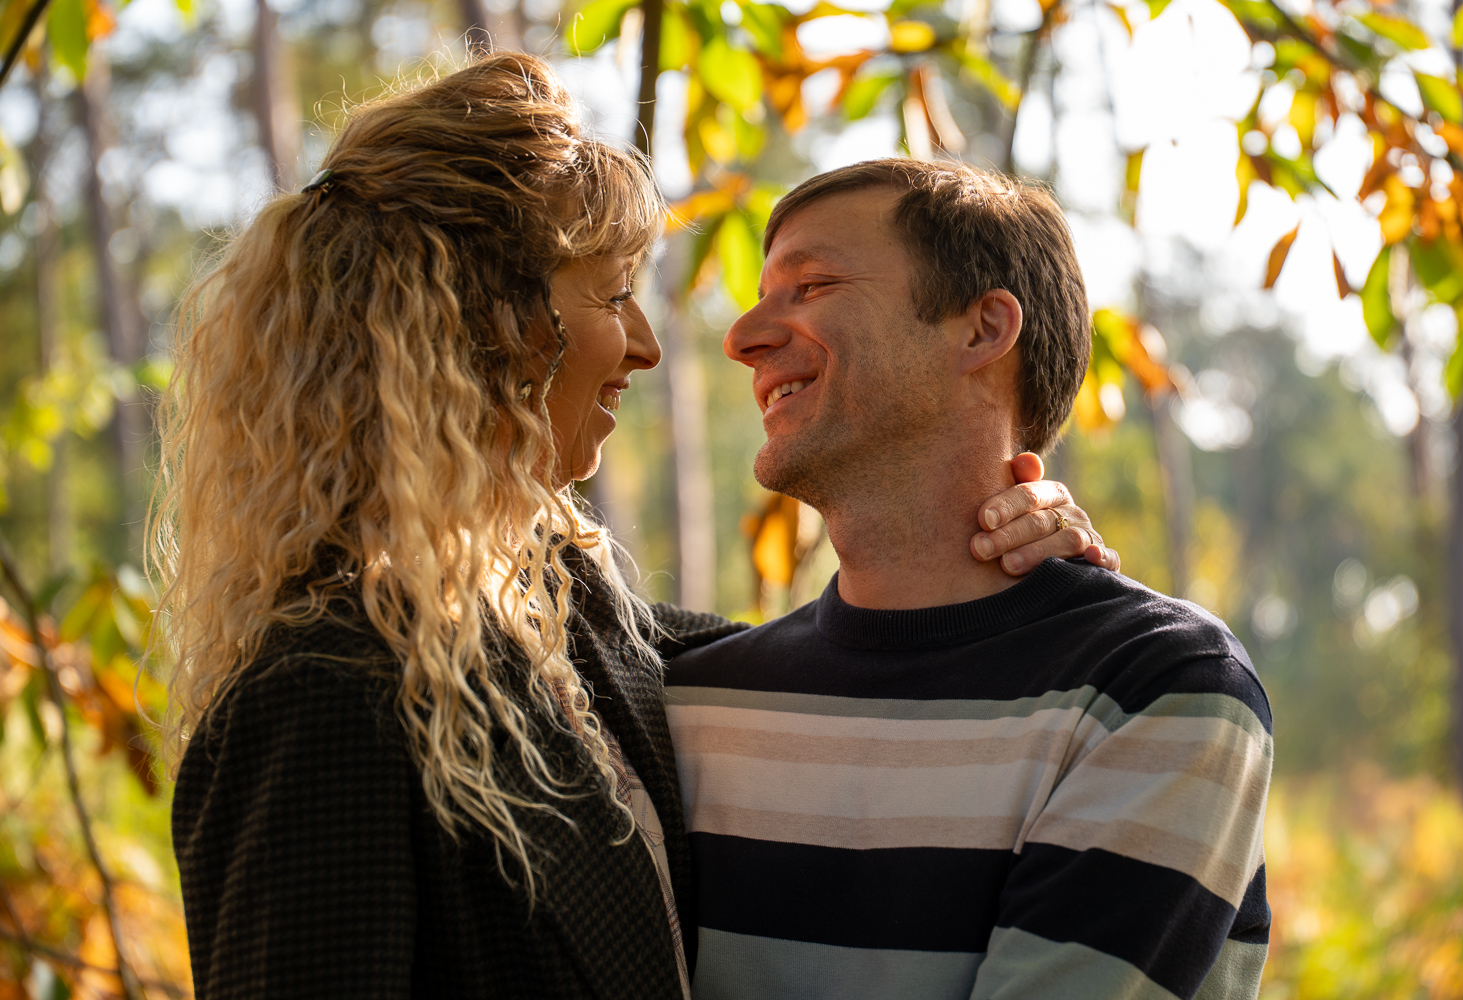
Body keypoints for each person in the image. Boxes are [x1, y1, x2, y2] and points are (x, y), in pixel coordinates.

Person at [153, 56, 1111, 999]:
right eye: (612, 295)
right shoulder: (318, 697)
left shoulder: (574, 621)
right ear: (474, 321)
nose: (648, 345)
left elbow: (855, 661)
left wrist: (1012, 546)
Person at [665, 159, 1273, 1000]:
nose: (742, 336)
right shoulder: (688, 697)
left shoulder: (1153, 688)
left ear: (984, 330)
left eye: (811, 287)